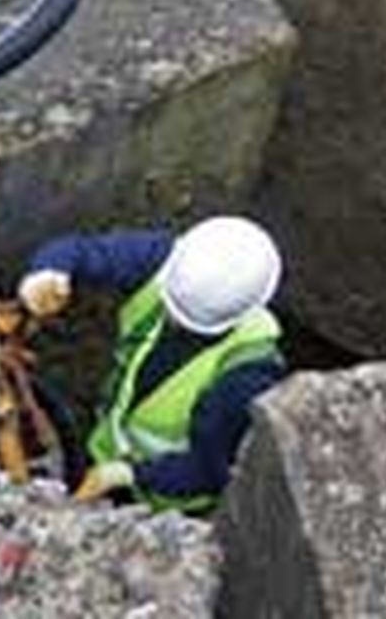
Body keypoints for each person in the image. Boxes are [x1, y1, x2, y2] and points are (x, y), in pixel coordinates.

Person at [17, 215, 285, 513]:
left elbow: (210, 470)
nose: (169, 317)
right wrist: (48, 272)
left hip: (164, 505)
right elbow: (82, 251)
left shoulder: (246, 376)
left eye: (183, 321)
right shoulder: (170, 264)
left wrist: (128, 475)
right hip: (105, 447)